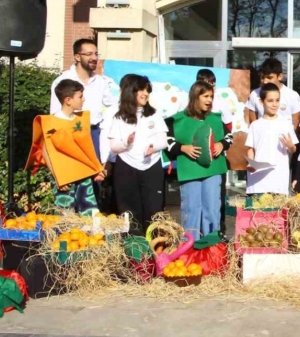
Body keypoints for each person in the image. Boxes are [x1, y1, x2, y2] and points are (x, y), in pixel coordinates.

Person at [165, 81, 232, 239]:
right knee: (191, 209)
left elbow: (229, 136)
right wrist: (182, 148)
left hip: (213, 170)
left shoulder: (215, 118)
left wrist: (222, 144)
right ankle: (189, 247)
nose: (209, 100)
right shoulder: (178, 120)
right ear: (196, 97)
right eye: (205, 96)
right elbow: (166, 141)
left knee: (212, 208)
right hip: (190, 172)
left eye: (211, 96)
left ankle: (212, 244)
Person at [108, 75, 167, 236]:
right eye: (141, 89)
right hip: (126, 167)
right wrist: (126, 143)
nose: (145, 93)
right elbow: (114, 146)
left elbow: (163, 141)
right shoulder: (119, 117)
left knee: (153, 210)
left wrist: (153, 148)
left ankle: (155, 252)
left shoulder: (154, 115)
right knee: (129, 212)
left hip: (151, 166)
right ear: (130, 92)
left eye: (147, 90)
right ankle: (135, 251)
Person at [50, 38, 117, 159]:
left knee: (97, 176)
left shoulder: (101, 81)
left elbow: (113, 104)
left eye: (96, 54)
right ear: (77, 57)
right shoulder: (62, 81)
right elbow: (54, 113)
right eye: (89, 54)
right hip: (71, 134)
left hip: (94, 134)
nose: (94, 58)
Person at [49, 79, 105, 216]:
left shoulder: (82, 120)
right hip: (64, 175)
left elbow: (87, 147)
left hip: (83, 174)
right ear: (68, 100)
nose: (83, 99)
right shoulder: (51, 122)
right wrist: (57, 177)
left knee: (90, 212)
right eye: (80, 96)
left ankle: (91, 237)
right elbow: (47, 152)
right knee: (65, 215)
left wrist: (97, 169)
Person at [196, 68, 235, 233]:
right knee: (197, 201)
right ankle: (196, 234)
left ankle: (219, 232)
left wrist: (221, 145)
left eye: (212, 83)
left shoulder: (221, 105)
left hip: (216, 160)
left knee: (217, 199)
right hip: (195, 161)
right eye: (205, 83)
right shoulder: (187, 103)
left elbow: (229, 133)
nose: (209, 87)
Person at [245, 83, 299, 195]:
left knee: (277, 212)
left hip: (278, 179)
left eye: (277, 100)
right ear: (261, 102)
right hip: (258, 180)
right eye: (270, 101)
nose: (274, 104)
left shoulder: (285, 124)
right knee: (258, 211)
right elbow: (251, 148)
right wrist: (251, 163)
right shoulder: (255, 125)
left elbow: (293, 149)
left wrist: (290, 146)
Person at [245, 58, 300, 129]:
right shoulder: (254, 94)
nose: (265, 81)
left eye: (269, 77)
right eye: (262, 77)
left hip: (285, 138)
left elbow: (296, 124)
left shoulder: (292, 95)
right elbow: (253, 120)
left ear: (280, 76)